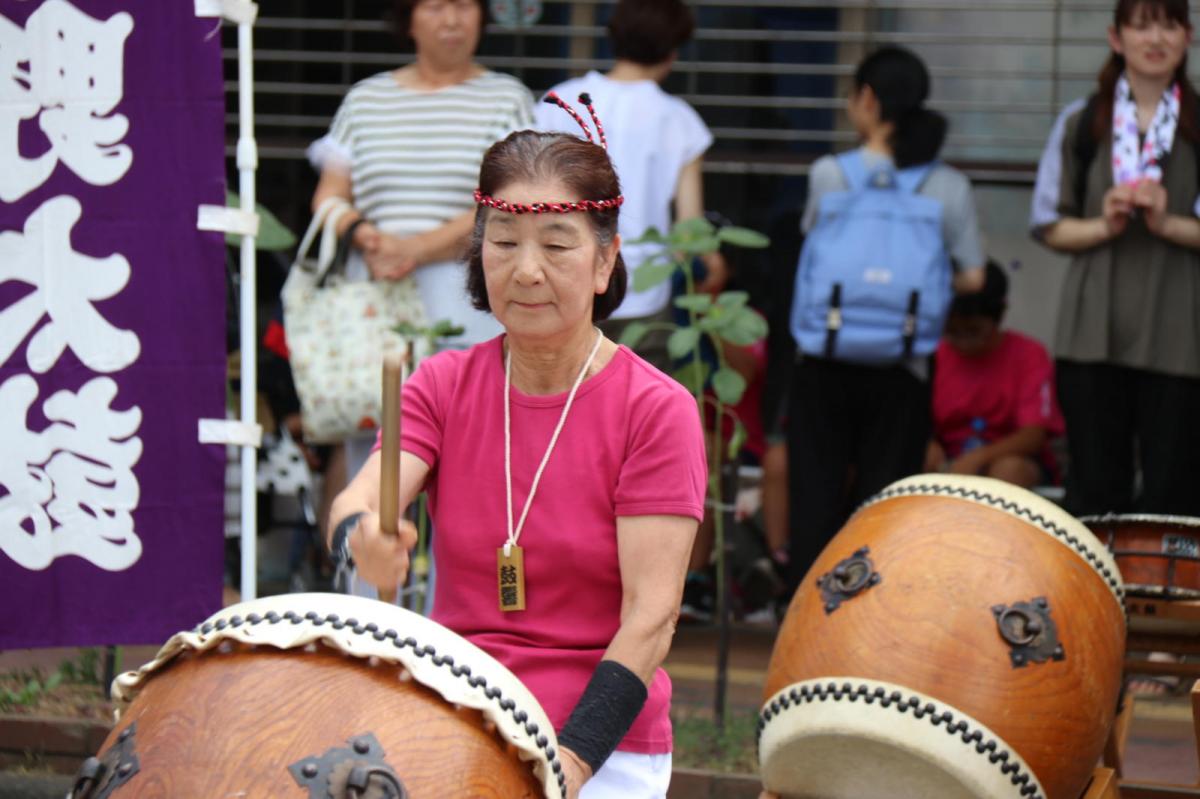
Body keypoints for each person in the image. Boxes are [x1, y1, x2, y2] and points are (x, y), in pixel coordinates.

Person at [327, 101, 707, 798]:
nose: (527, 269)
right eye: (504, 241)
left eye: (557, 245)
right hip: (453, 718)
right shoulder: (443, 383)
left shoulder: (655, 408)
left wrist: (570, 761)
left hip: (597, 743)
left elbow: (651, 618)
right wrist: (361, 536)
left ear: (605, 261)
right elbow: (360, 500)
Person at [785, 46, 986, 592]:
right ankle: (868, 622)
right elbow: (973, 278)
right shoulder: (948, 187)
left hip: (823, 358)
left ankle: (802, 617)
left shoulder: (831, 175)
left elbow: (814, 247)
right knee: (885, 501)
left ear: (867, 100)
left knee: (815, 496)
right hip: (903, 367)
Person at [308, 0, 534, 476]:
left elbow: (504, 201)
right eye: (435, 6)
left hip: (467, 294)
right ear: (406, 18)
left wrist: (413, 249)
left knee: (468, 443)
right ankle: (371, 549)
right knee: (376, 446)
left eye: (464, 6)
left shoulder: (506, 98)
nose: (451, 20)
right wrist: (364, 235)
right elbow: (328, 197)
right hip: (374, 296)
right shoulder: (365, 100)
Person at [1031, 0, 1200, 517]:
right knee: (1095, 487)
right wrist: (1104, 222)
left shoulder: (1197, 125)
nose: (1156, 38)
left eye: (1169, 24)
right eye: (1141, 24)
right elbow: (1048, 223)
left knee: (1174, 491)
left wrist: (1167, 224)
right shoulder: (1081, 123)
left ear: (1187, 37)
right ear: (1115, 36)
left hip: (1179, 331)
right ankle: (1093, 598)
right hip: (1092, 329)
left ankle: (1165, 601)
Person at [532, 0, 723, 372]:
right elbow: (689, 231)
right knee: (638, 411)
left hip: (564, 283)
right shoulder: (680, 121)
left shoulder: (559, 101)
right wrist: (709, 262)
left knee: (562, 404)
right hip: (643, 294)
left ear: (612, 37)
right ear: (672, 52)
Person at [926, 261, 1066, 488]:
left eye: (973, 331)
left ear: (999, 316)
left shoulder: (1028, 354)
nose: (963, 341)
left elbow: (1033, 435)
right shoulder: (934, 354)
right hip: (948, 461)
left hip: (1008, 461)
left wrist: (977, 458)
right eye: (952, 331)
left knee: (1009, 470)